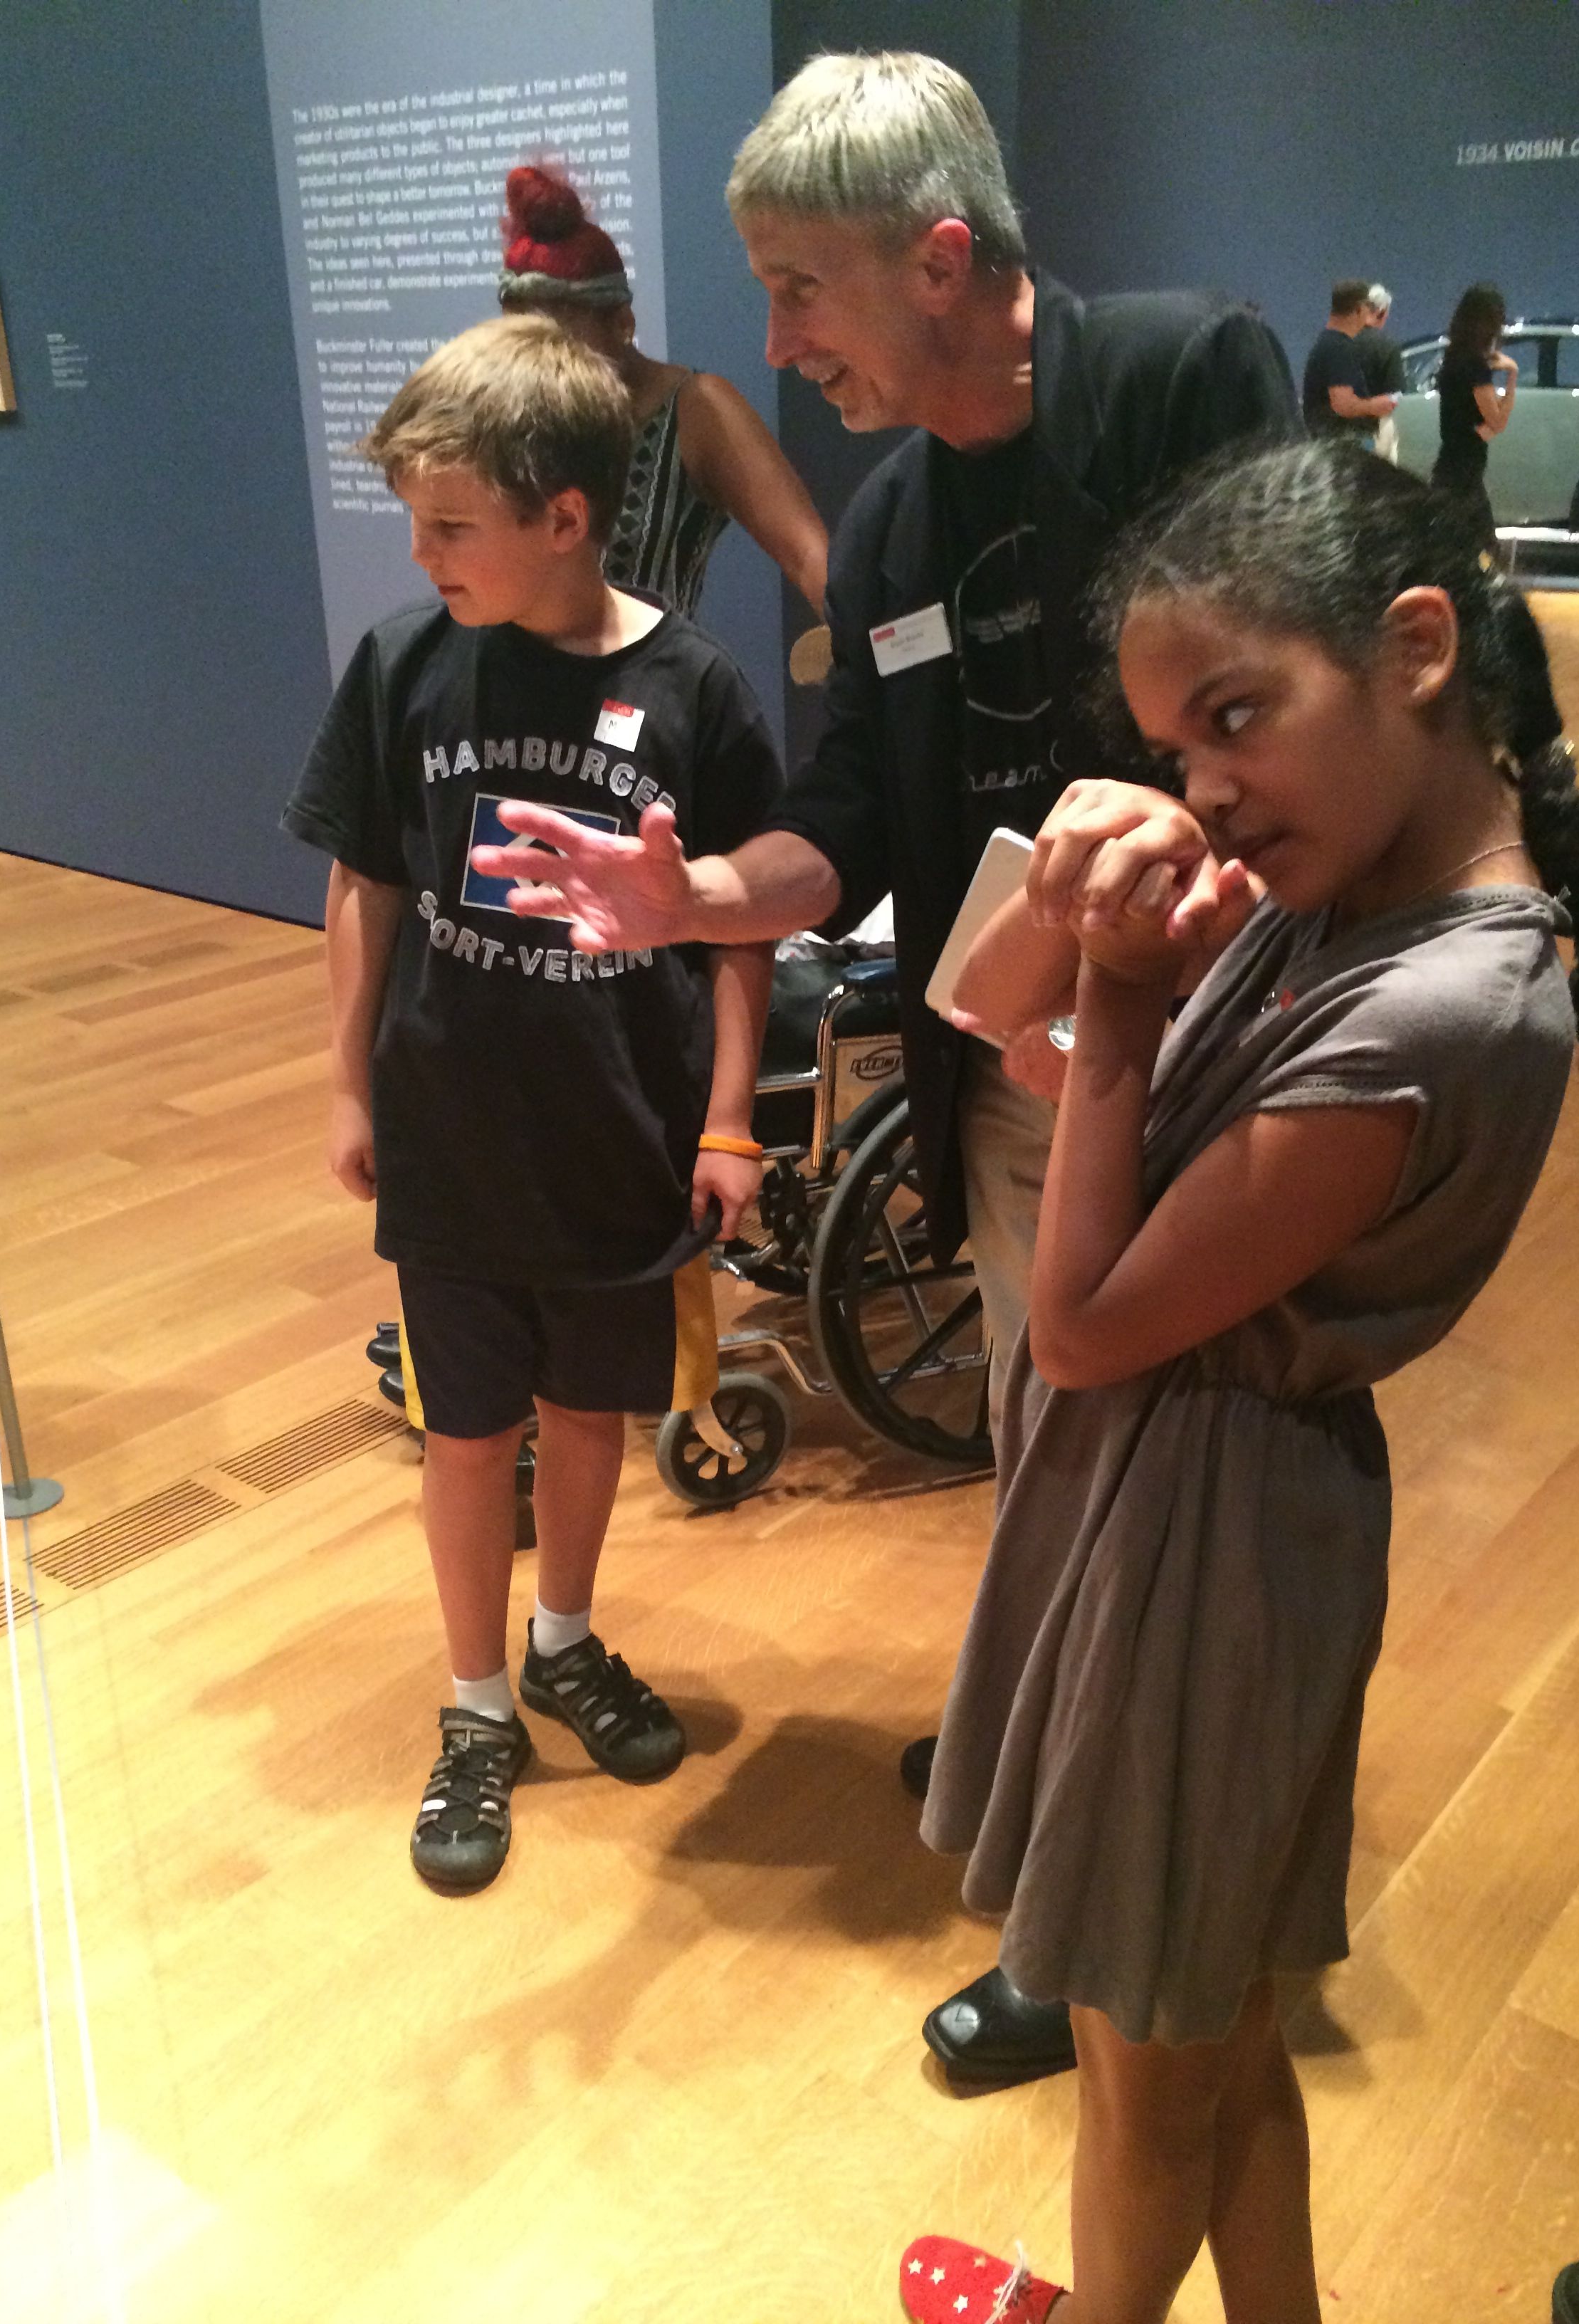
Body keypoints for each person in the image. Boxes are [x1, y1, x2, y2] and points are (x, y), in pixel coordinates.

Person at [471, 48, 1299, 2083]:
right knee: (1046, 1448)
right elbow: (849, 811)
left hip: (1213, 1063)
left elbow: (1302, 696)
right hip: (1015, 1083)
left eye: (798, 287)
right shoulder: (896, 515)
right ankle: (1047, 1755)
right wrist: (699, 898)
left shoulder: (1180, 380)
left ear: (940, 260)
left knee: (1156, 1485)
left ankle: (1105, 1931)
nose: (773, 341)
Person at [896, 439, 1579, 2323]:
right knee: (1216, 2037)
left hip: (1210, 1549)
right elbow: (996, 1020)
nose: (1206, 786)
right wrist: (1077, 894)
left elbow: (1084, 1322)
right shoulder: (1338, 891)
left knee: (1144, 2077)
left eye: (1235, 717)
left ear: (1415, 649)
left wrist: (1130, 996)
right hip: (1163, 1504)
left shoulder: (1443, 1009)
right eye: (1173, 747)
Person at [282, 315, 781, 1893]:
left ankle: (563, 1639)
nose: (420, 555)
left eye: (450, 526)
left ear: (565, 517)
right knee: (464, 1432)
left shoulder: (694, 688)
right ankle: (477, 1701)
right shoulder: (405, 666)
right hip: (452, 1135)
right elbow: (364, 882)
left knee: (587, 1415)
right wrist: (349, 1081)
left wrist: (728, 1119)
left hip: (620, 1134)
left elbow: (744, 929)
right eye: (414, 522)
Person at [498, 162, 828, 619]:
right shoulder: (509, 418)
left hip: (655, 667)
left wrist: (879, 649)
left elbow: (809, 556)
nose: (545, 367)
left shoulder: (697, 409)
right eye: (524, 344)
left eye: (564, 342)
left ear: (622, 324)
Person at [1433, 281, 1518, 554]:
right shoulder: (1476, 367)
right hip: (1466, 467)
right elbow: (1498, 422)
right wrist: (1512, 375)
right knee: (1481, 545)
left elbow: (1468, 414)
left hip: (1452, 461)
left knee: (1453, 541)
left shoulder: (1453, 358)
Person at [1301, 278, 1398, 444]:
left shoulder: (1328, 342)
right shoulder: (1339, 347)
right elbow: (1343, 405)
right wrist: (1376, 405)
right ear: (1359, 309)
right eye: (1368, 308)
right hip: (1341, 444)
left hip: (1330, 441)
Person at [1356, 284, 1407, 461]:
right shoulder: (1388, 346)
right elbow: (1396, 395)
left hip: (1340, 429)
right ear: (1381, 312)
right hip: (1374, 429)